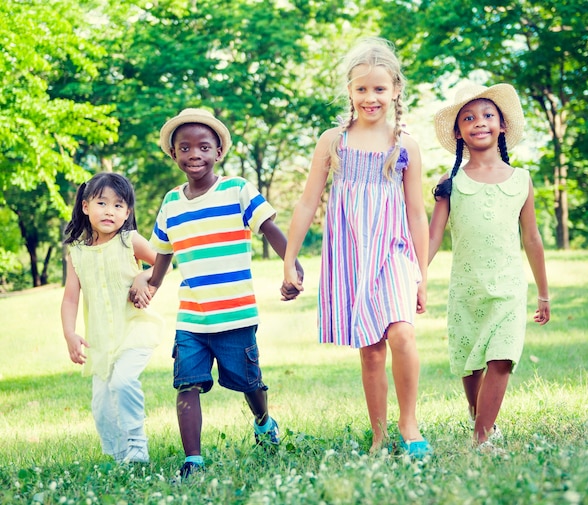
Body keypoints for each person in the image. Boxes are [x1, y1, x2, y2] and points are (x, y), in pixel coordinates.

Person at [282, 37, 432, 458]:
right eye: (362, 89)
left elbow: (417, 214)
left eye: (379, 89)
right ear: (349, 91)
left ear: (395, 90)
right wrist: (289, 260)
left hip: (394, 252)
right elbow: (308, 201)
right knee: (370, 351)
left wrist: (422, 275)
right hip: (350, 256)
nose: (371, 97)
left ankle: (409, 421)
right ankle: (380, 434)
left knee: (402, 332)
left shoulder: (406, 146)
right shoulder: (333, 141)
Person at [140, 108, 303, 479]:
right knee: (186, 383)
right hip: (192, 318)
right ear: (174, 155)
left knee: (249, 382)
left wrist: (290, 264)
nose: (193, 154)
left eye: (203, 146)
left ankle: (263, 422)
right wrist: (149, 284)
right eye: (184, 147)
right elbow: (162, 254)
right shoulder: (170, 203)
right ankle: (193, 459)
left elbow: (269, 227)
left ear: (217, 153)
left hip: (235, 314)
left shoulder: (237, 189)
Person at [428, 83, 551, 451]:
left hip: (509, 288)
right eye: (468, 118)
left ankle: (482, 438)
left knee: (502, 357)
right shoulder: (451, 183)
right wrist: (415, 277)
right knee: (471, 364)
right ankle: (478, 415)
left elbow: (532, 239)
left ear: (501, 126)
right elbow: (433, 238)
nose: (478, 122)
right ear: (458, 132)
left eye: (486, 116)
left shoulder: (521, 180)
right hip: (466, 288)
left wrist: (543, 293)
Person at [61, 172, 164, 464]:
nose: (110, 211)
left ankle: (137, 444)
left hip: (135, 330)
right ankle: (122, 459)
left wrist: (144, 277)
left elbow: (163, 263)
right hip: (101, 340)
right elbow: (70, 298)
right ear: (85, 206)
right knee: (102, 407)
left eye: (119, 205)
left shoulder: (130, 240)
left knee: (123, 381)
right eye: (102, 203)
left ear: (128, 212)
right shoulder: (77, 253)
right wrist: (70, 333)